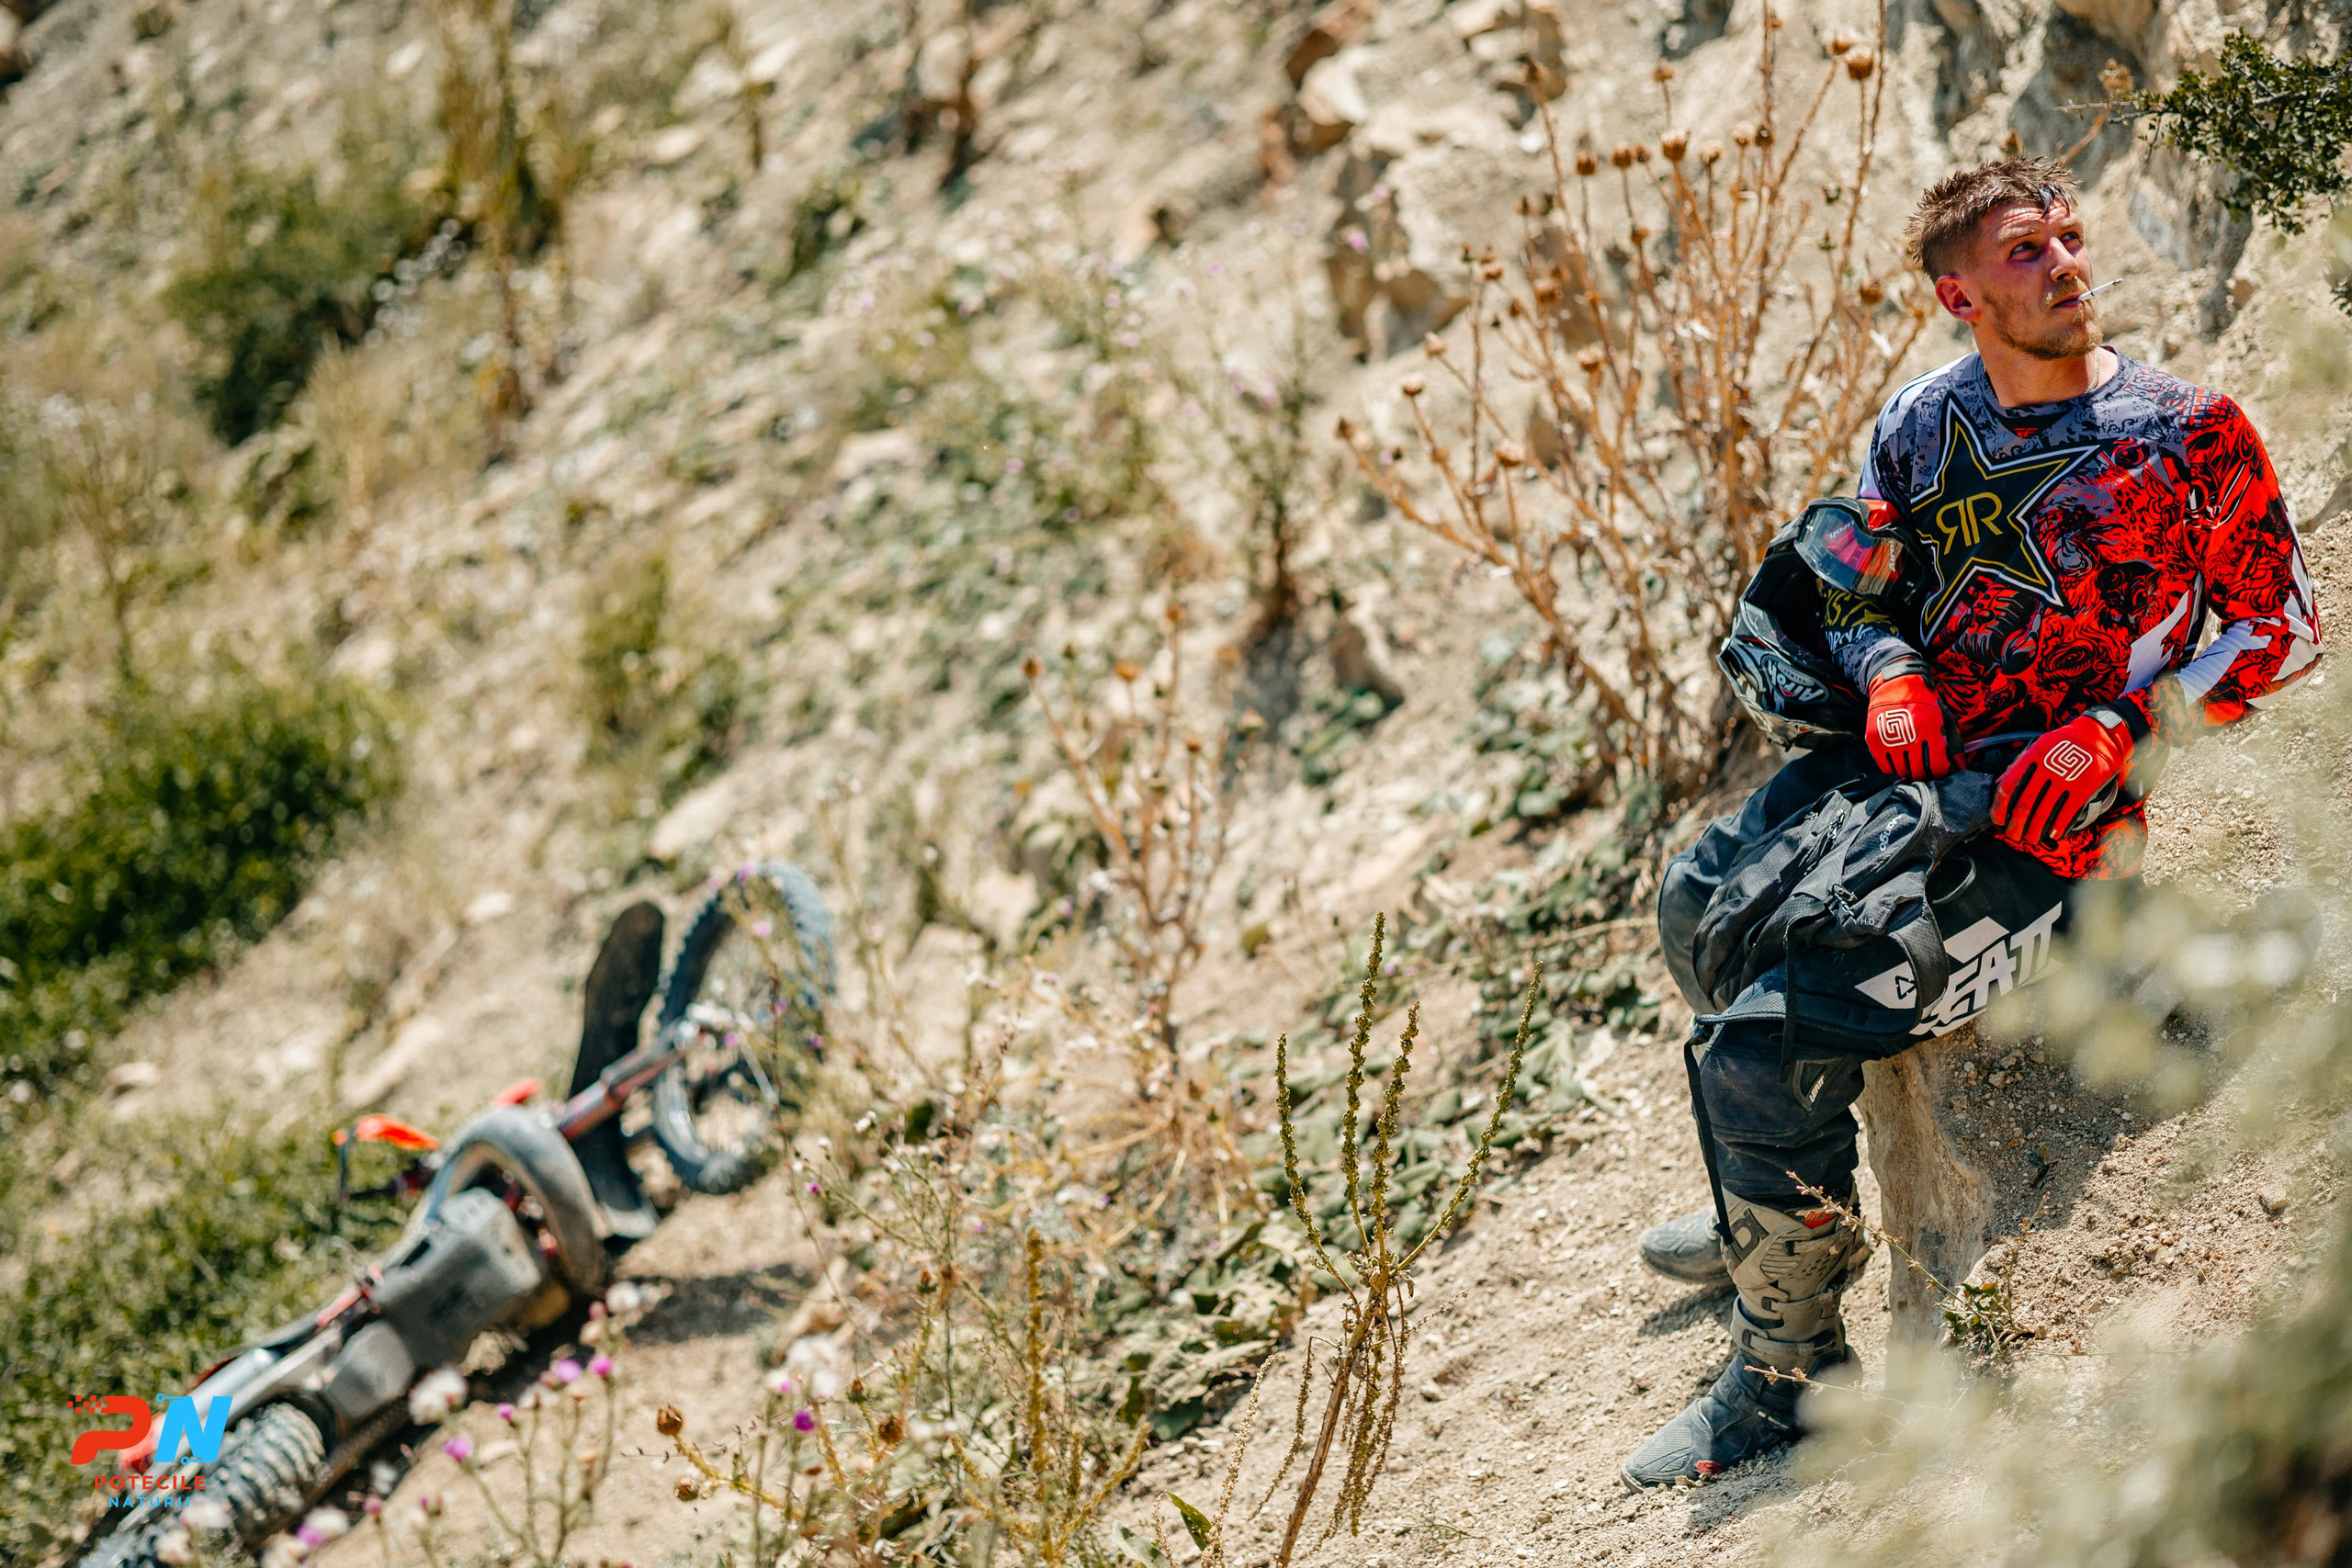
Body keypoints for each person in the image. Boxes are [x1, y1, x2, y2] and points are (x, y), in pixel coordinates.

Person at [1620, 156, 2324, 1488]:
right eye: (2024, 251)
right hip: (1918, 784)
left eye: (2068, 236)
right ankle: (1772, 1214)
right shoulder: (1922, 422)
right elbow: (1856, 579)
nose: (2066, 262)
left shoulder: (2190, 430)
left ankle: (1790, 1383)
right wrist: (1885, 669)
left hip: (2062, 840)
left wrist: (2127, 724)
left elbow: (2280, 633)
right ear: (1960, 295)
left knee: (1758, 1046)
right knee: (1697, 897)